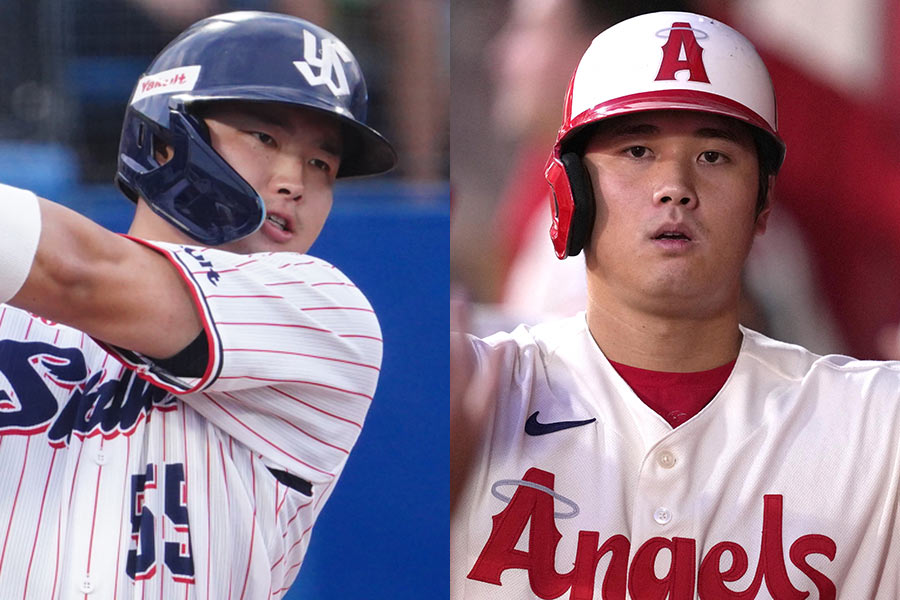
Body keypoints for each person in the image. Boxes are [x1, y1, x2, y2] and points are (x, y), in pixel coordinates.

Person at [451, 11, 900, 599]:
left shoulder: (876, 423)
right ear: (569, 191)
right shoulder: (476, 387)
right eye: (637, 151)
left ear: (762, 202)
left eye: (714, 156)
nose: (675, 186)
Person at [0, 11, 395, 599]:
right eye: (265, 137)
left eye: (322, 163)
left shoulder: (327, 317)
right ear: (164, 138)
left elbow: (78, 275)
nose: (295, 181)